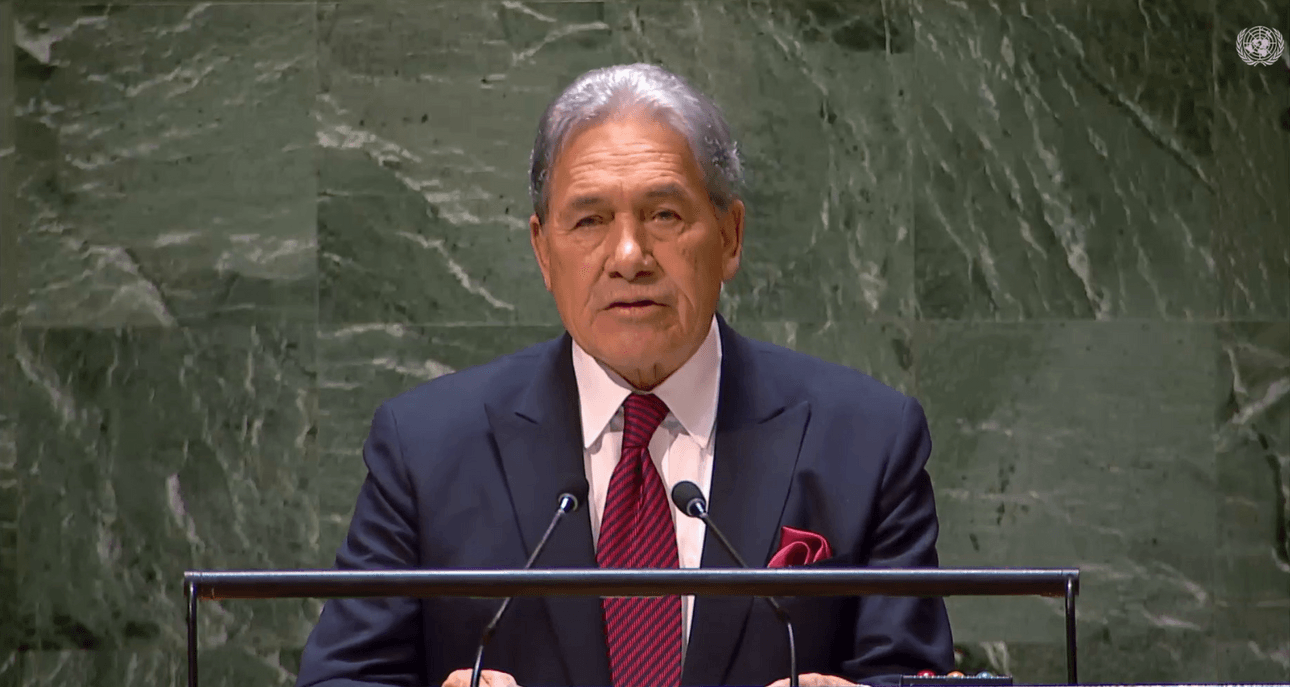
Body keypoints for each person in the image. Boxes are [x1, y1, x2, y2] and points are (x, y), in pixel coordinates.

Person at [296, 63, 953, 687]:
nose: (630, 255)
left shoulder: (868, 443)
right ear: (543, 250)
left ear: (730, 236)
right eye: (589, 220)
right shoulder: (426, 447)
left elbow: (909, 669)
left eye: (664, 215)